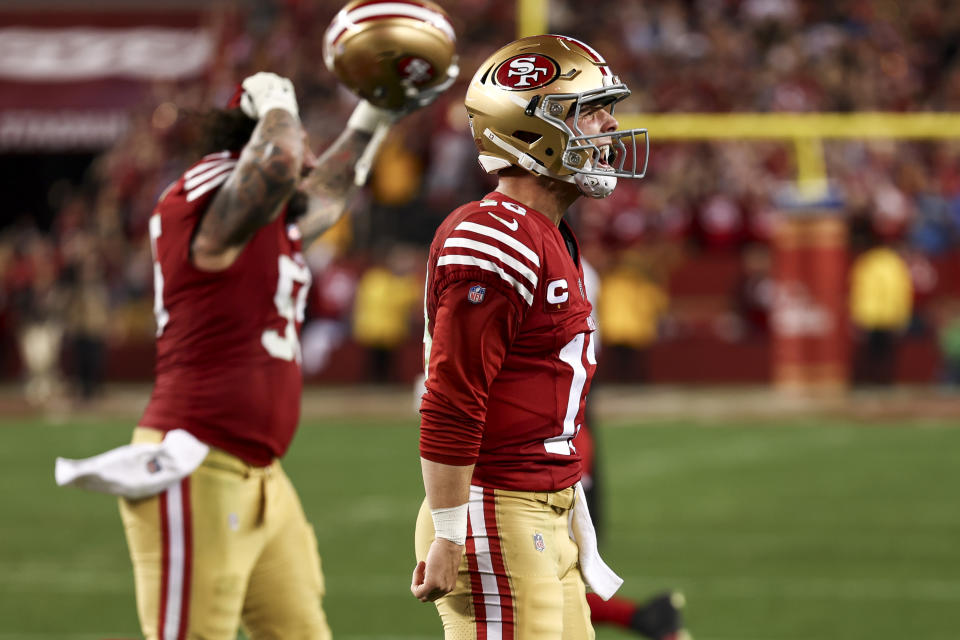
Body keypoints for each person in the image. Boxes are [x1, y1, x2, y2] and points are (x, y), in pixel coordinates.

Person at [114, 68, 445, 639]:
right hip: (195, 460)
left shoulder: (265, 215)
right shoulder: (209, 191)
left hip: (262, 474)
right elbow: (278, 164)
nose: (309, 157)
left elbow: (327, 191)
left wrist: (375, 115)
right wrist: (275, 96)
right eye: (296, 141)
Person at [411, 34, 649, 638]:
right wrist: (447, 528)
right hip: (493, 512)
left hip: (543, 509)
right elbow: (451, 397)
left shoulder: (548, 231)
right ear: (530, 126)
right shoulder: (495, 237)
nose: (610, 125)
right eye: (589, 109)